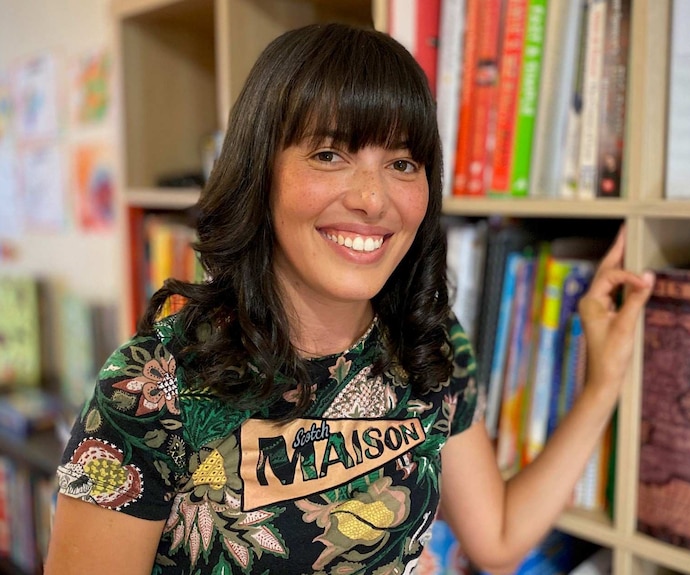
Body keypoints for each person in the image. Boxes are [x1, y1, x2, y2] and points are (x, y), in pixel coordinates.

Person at [44, 22, 654, 575]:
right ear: (262, 171)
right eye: (330, 154)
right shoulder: (153, 388)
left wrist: (603, 381)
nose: (372, 199)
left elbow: (496, 537)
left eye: (403, 163)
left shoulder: (427, 344)